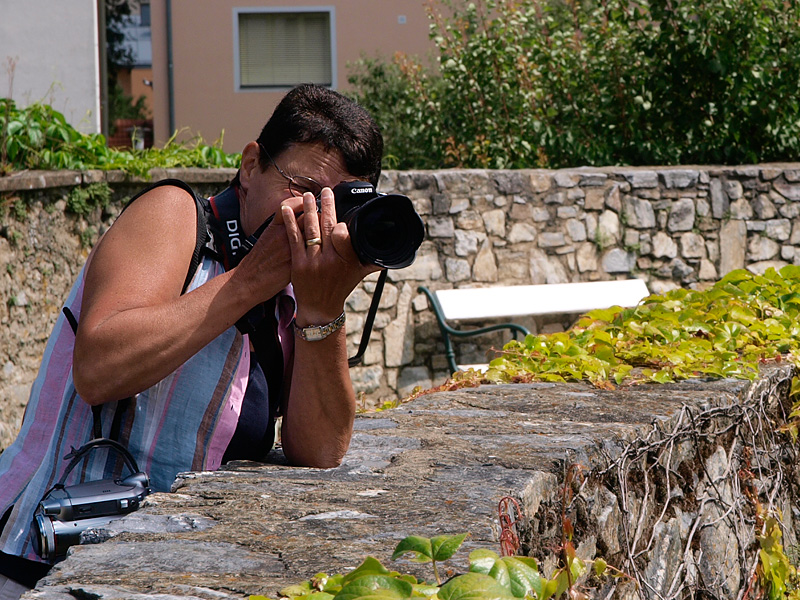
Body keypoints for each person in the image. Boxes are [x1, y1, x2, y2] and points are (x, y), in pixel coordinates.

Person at [0, 83, 384, 598]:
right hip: (43, 558)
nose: (316, 218)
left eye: (337, 204)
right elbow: (98, 370)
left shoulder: (294, 297)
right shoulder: (175, 215)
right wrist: (248, 280)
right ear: (251, 166)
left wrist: (322, 309)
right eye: (304, 189)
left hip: (172, 570)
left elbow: (319, 451)